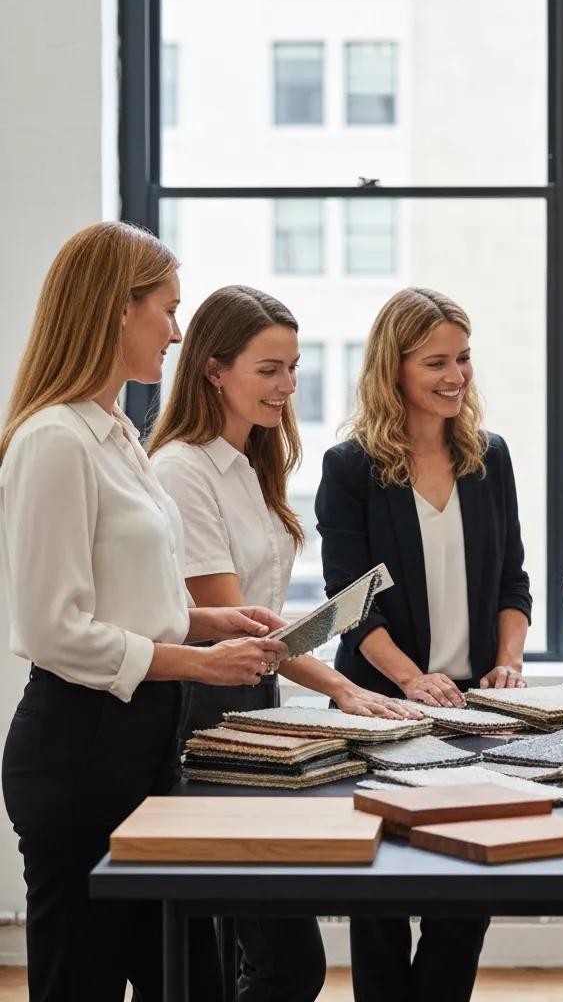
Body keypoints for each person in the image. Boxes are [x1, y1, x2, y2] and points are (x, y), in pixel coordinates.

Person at [0, 222, 289, 1002]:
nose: (177, 332)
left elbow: (130, 599)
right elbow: (54, 629)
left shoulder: (119, 435)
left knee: (190, 980)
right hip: (79, 752)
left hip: (144, 743)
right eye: (167, 309)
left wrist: (210, 622)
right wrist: (198, 662)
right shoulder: (54, 441)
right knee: (82, 981)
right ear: (117, 309)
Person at [148, 284, 421, 1002]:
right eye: (269, 369)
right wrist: (343, 686)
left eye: (293, 368)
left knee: (267, 958)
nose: (288, 386)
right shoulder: (182, 469)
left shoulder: (250, 462)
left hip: (256, 706)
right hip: (205, 713)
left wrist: (333, 672)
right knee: (277, 963)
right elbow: (233, 619)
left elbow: (261, 616)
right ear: (214, 370)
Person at [315, 286, 532, 1002]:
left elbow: (512, 581)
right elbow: (350, 606)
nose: (455, 376)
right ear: (395, 368)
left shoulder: (489, 457)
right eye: (436, 362)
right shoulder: (350, 467)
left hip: (472, 710)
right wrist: (411, 681)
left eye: (463, 358)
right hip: (380, 705)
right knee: (379, 894)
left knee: (466, 890)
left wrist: (508, 661)